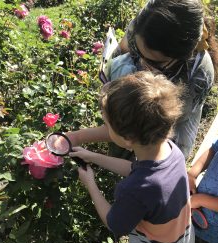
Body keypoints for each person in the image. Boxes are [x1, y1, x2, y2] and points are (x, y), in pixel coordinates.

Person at [69, 71, 195, 243]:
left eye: (107, 125)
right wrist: (93, 156)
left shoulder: (134, 190)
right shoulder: (171, 152)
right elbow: (135, 169)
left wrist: (91, 184)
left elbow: (113, 222)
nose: (104, 127)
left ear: (127, 139)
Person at [66, 0, 217, 159]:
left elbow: (141, 128)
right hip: (138, 121)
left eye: (154, 62)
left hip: (163, 134)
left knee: (148, 162)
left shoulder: (197, 76)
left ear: (183, 55)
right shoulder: (144, 27)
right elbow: (122, 50)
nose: (142, 63)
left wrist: (77, 137)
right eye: (138, 51)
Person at [183, 140, 218, 243]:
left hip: (215, 236)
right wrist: (192, 174)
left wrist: (201, 199)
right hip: (197, 214)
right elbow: (212, 151)